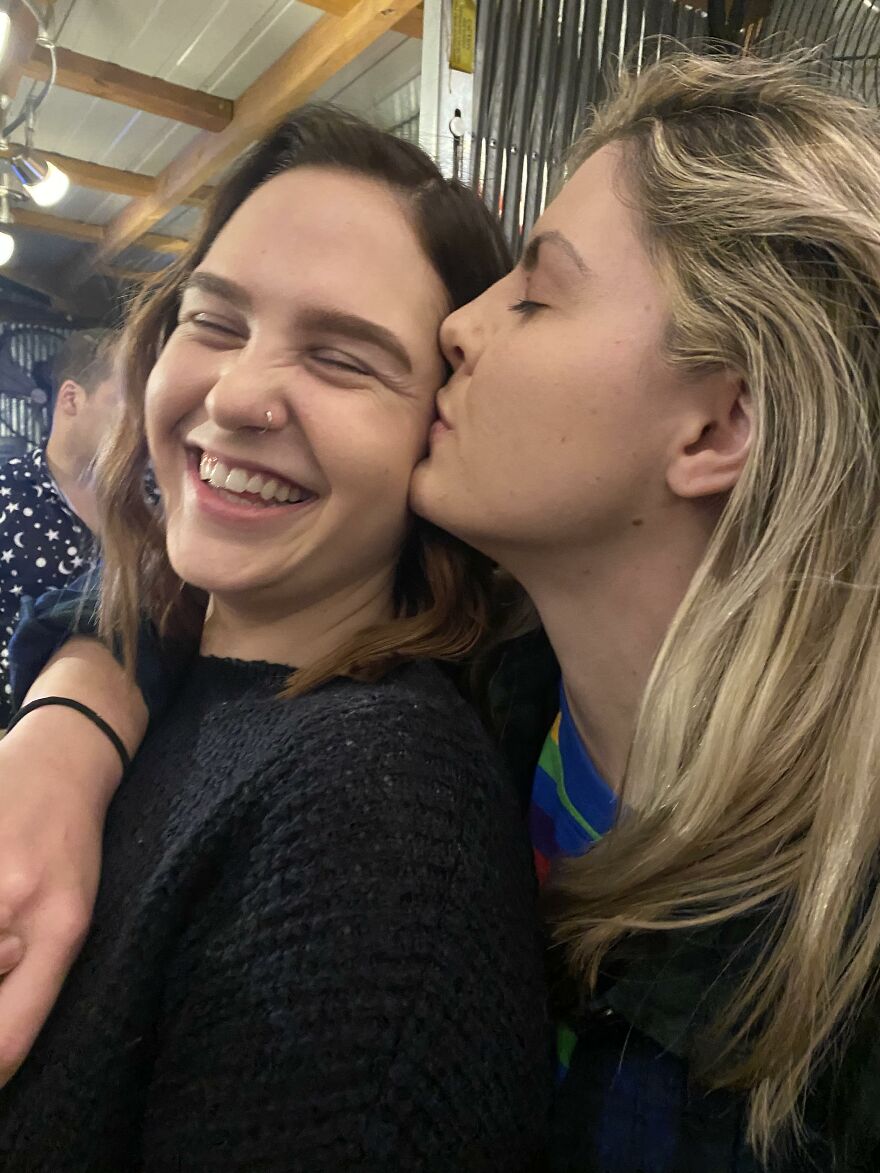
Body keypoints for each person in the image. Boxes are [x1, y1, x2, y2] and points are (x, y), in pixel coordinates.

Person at [3, 47, 880, 1171]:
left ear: (715, 430)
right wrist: (70, 725)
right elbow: (195, 618)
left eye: (537, 293)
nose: (465, 329)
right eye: (211, 320)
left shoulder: (396, 806)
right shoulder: (516, 682)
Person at [0, 106, 550, 1170]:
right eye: (215, 321)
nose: (240, 394)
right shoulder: (161, 667)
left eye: (344, 360)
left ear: (442, 428)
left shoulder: (374, 818)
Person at [0, 329, 119, 725]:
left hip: (134, 725)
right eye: (126, 400)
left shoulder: (155, 496)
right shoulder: (6, 491)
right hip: (18, 729)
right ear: (71, 398)